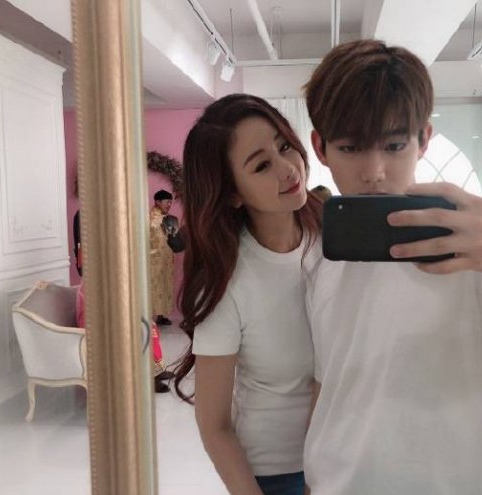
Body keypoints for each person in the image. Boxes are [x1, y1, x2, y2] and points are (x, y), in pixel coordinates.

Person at [301, 39, 482, 494]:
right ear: (320, 147)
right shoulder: (316, 255)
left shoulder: (479, 252)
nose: (374, 171)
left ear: (424, 140)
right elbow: (330, 386)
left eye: (394, 145)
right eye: (351, 147)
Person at [173, 94, 322, 495]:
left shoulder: (333, 239)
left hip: (348, 456)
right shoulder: (227, 282)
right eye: (261, 165)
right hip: (278, 472)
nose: (287, 168)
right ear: (232, 193)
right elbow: (214, 426)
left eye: (284, 146)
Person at [149, 189, 176, 326]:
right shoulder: (151, 218)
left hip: (166, 260)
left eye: (170, 202)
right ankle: (149, 317)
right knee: (153, 287)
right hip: (153, 260)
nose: (169, 204)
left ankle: (160, 316)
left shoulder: (169, 218)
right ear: (158, 202)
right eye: (167, 202)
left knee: (164, 287)